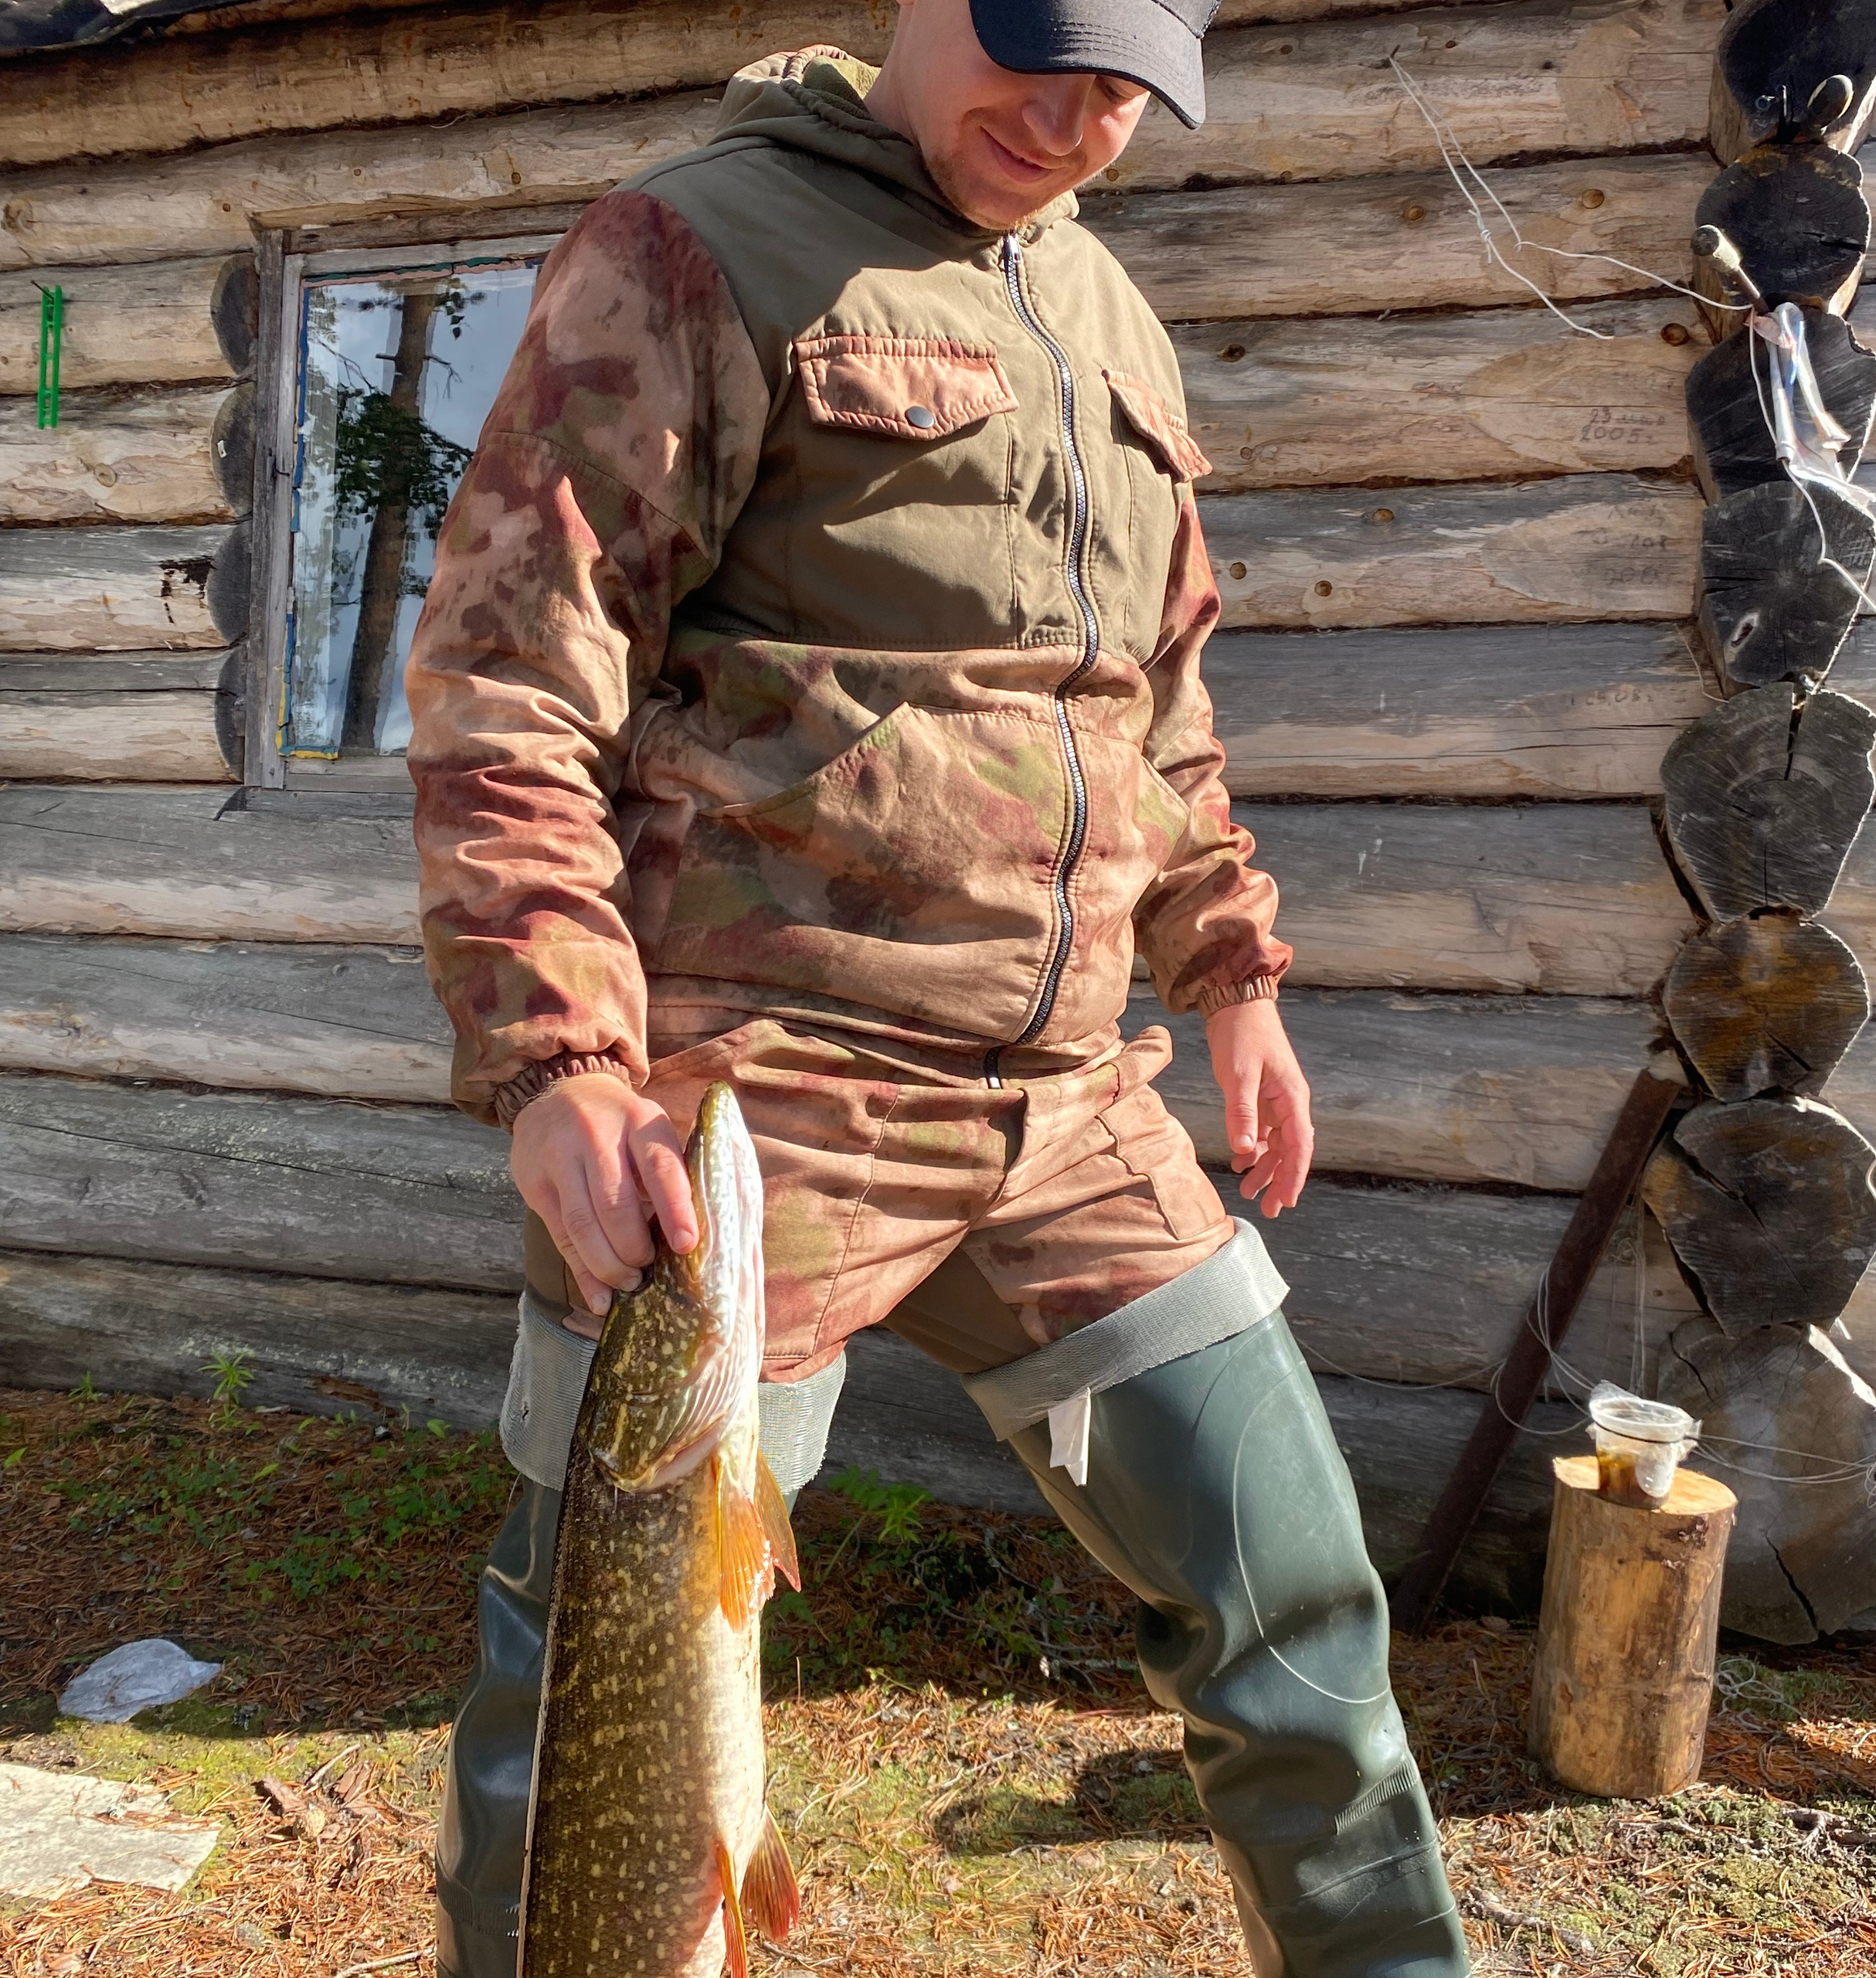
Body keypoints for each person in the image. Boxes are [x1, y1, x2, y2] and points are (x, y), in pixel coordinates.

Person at [406, 0, 1472, 1971]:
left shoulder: (1109, 321)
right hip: (754, 1103)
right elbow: (509, 683)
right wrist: (559, 1053)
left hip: (1065, 1097)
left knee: (1297, 1605)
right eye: (1034, 56)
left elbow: (1151, 705)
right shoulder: (696, 244)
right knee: (581, 1682)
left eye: (1121, 95)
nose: (1066, 122)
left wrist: (1229, 966)